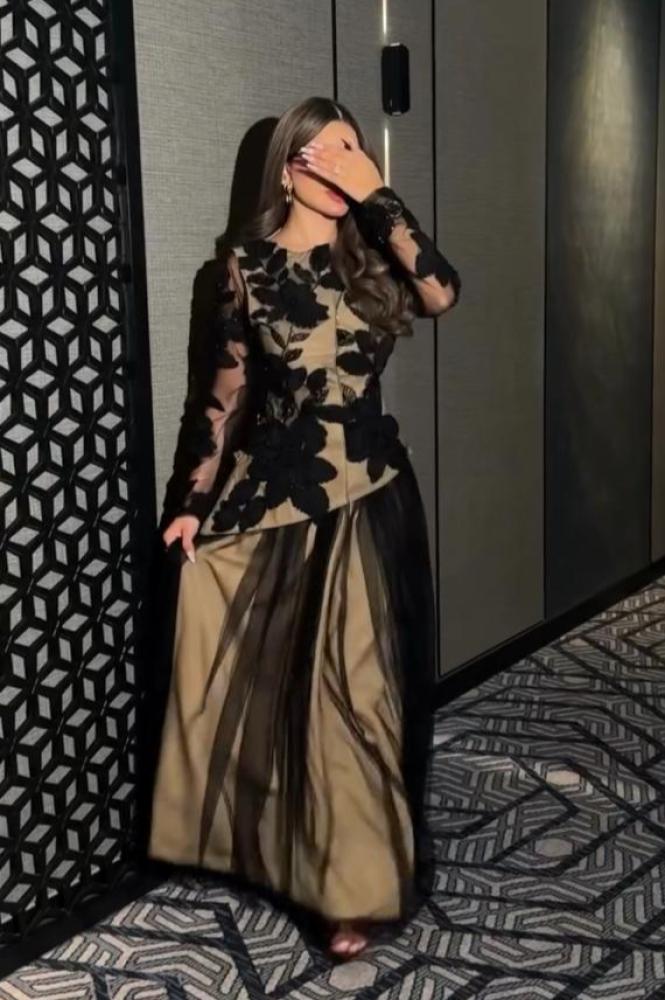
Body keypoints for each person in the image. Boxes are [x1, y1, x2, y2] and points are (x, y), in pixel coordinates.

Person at [148, 95, 461, 959]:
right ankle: (289, 854)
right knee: (295, 699)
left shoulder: (376, 254)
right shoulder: (242, 267)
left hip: (369, 495)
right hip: (276, 499)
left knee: (360, 694)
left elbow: (442, 292)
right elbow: (220, 400)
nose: (338, 163)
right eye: (319, 152)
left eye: (351, 149)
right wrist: (188, 503)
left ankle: (354, 889)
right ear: (286, 170)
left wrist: (377, 195)